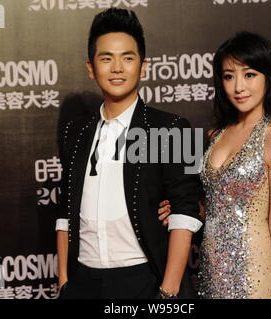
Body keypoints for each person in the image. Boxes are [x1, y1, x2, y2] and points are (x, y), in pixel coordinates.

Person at [55, 8, 203, 299]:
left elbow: (185, 214)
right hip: (83, 281)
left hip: (145, 281)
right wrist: (64, 283)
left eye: (127, 58)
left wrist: (169, 291)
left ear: (143, 66)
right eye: (106, 58)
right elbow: (65, 213)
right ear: (91, 67)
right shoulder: (77, 132)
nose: (117, 68)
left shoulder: (171, 128)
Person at [158, 31, 271, 299]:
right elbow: (218, 205)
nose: (238, 86)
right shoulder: (215, 135)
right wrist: (186, 210)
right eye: (229, 76)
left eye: (249, 74)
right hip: (212, 272)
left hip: (253, 272)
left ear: (269, 77)